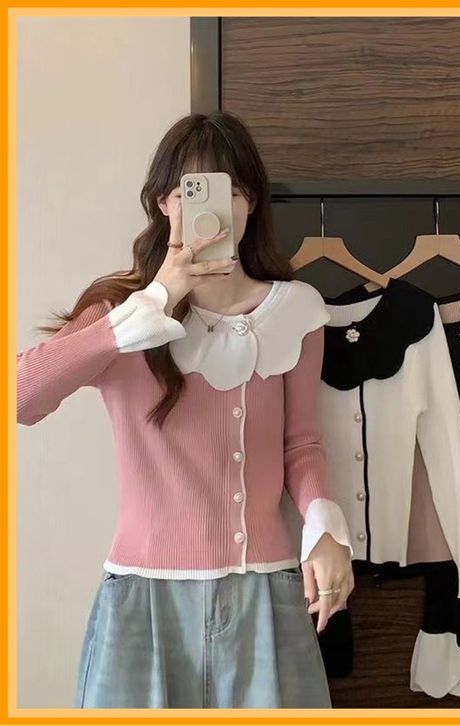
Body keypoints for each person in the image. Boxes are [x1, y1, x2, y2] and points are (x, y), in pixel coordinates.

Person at [16, 111, 354, 709]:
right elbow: (22, 397)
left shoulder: (296, 311)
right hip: (142, 602)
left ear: (252, 202)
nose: (214, 209)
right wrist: (150, 304)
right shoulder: (121, 313)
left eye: (232, 190)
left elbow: (302, 444)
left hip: (267, 594)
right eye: (190, 190)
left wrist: (325, 529)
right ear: (164, 203)